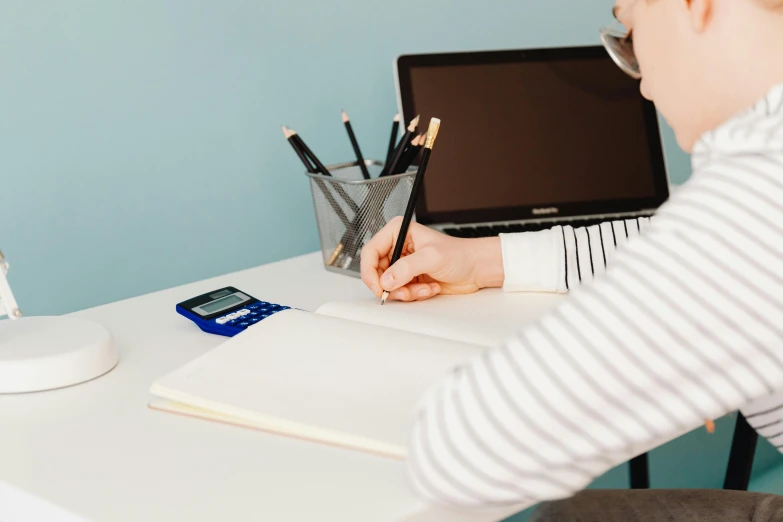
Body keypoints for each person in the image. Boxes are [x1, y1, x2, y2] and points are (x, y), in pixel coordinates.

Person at [360, 0, 783, 520]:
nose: (643, 84)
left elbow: (464, 451)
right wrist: (482, 259)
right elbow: (664, 240)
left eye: (631, 34)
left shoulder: (760, 201)